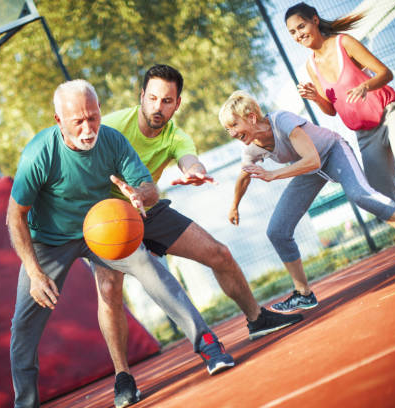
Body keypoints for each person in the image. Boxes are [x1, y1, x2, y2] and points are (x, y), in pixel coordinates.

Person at [7, 79, 235, 408]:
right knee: (23, 324)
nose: (88, 128)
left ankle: (209, 344)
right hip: (49, 241)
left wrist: (140, 194)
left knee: (148, 266)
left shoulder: (112, 141)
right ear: (59, 121)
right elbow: (15, 216)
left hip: (101, 228)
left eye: (93, 117)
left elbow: (148, 187)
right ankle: (25, 404)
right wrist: (33, 269)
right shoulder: (39, 153)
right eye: (78, 121)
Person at [95, 64, 303, 408]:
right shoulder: (113, 125)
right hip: (108, 218)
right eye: (152, 98)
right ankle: (123, 377)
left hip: (148, 208)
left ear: (177, 104)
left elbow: (189, 159)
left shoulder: (176, 135)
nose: (158, 107)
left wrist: (194, 172)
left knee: (219, 253)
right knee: (109, 288)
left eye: (167, 100)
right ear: (141, 97)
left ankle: (256, 318)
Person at [219, 90, 395, 314]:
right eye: (226, 129)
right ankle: (303, 294)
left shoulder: (282, 121)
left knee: (361, 195)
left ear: (250, 117)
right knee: (277, 231)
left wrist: (273, 175)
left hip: (332, 151)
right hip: (309, 170)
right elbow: (244, 177)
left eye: (233, 125)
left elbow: (312, 159)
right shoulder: (250, 148)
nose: (231, 132)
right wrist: (234, 205)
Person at [284, 2, 395, 208]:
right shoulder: (311, 65)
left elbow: (386, 73)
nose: (298, 35)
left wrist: (365, 86)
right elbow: (331, 110)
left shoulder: (344, 42)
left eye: (301, 27)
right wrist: (315, 97)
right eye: (293, 32)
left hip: (389, 113)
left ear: (315, 19)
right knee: (382, 201)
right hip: (366, 134)